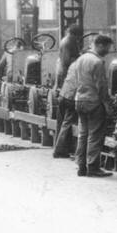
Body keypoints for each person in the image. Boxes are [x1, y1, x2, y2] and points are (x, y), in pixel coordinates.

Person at [63, 34, 114, 178]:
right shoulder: (97, 62)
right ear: (100, 45)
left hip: (79, 101)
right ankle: (93, 167)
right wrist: (107, 105)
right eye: (108, 47)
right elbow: (101, 87)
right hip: (93, 102)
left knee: (83, 134)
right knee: (95, 135)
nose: (108, 51)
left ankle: (81, 166)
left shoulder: (80, 59)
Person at [50, 24, 83, 158]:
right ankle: (61, 149)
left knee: (63, 119)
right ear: (76, 35)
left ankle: (62, 148)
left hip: (65, 82)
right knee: (67, 119)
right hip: (68, 81)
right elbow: (68, 60)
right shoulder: (69, 42)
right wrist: (82, 57)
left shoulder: (66, 41)